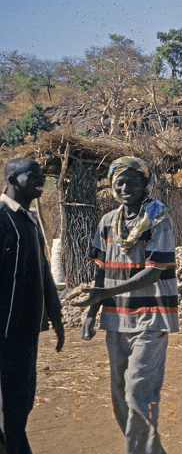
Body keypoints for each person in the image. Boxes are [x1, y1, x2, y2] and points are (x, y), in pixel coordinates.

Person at [76, 157, 177, 454]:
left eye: (132, 182)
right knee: (120, 394)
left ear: (146, 185)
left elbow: (154, 270)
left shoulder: (158, 218)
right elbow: (101, 269)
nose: (124, 187)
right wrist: (91, 311)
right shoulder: (108, 221)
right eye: (119, 182)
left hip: (152, 316)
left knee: (137, 392)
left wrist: (102, 294)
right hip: (115, 318)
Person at [0, 157, 64, 454]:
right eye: (34, 175)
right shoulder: (1, 216)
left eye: (43, 175)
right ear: (13, 179)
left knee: (22, 401)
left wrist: (56, 316)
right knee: (10, 407)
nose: (42, 179)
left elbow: (43, 272)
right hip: (4, 331)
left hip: (27, 329)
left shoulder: (29, 219)